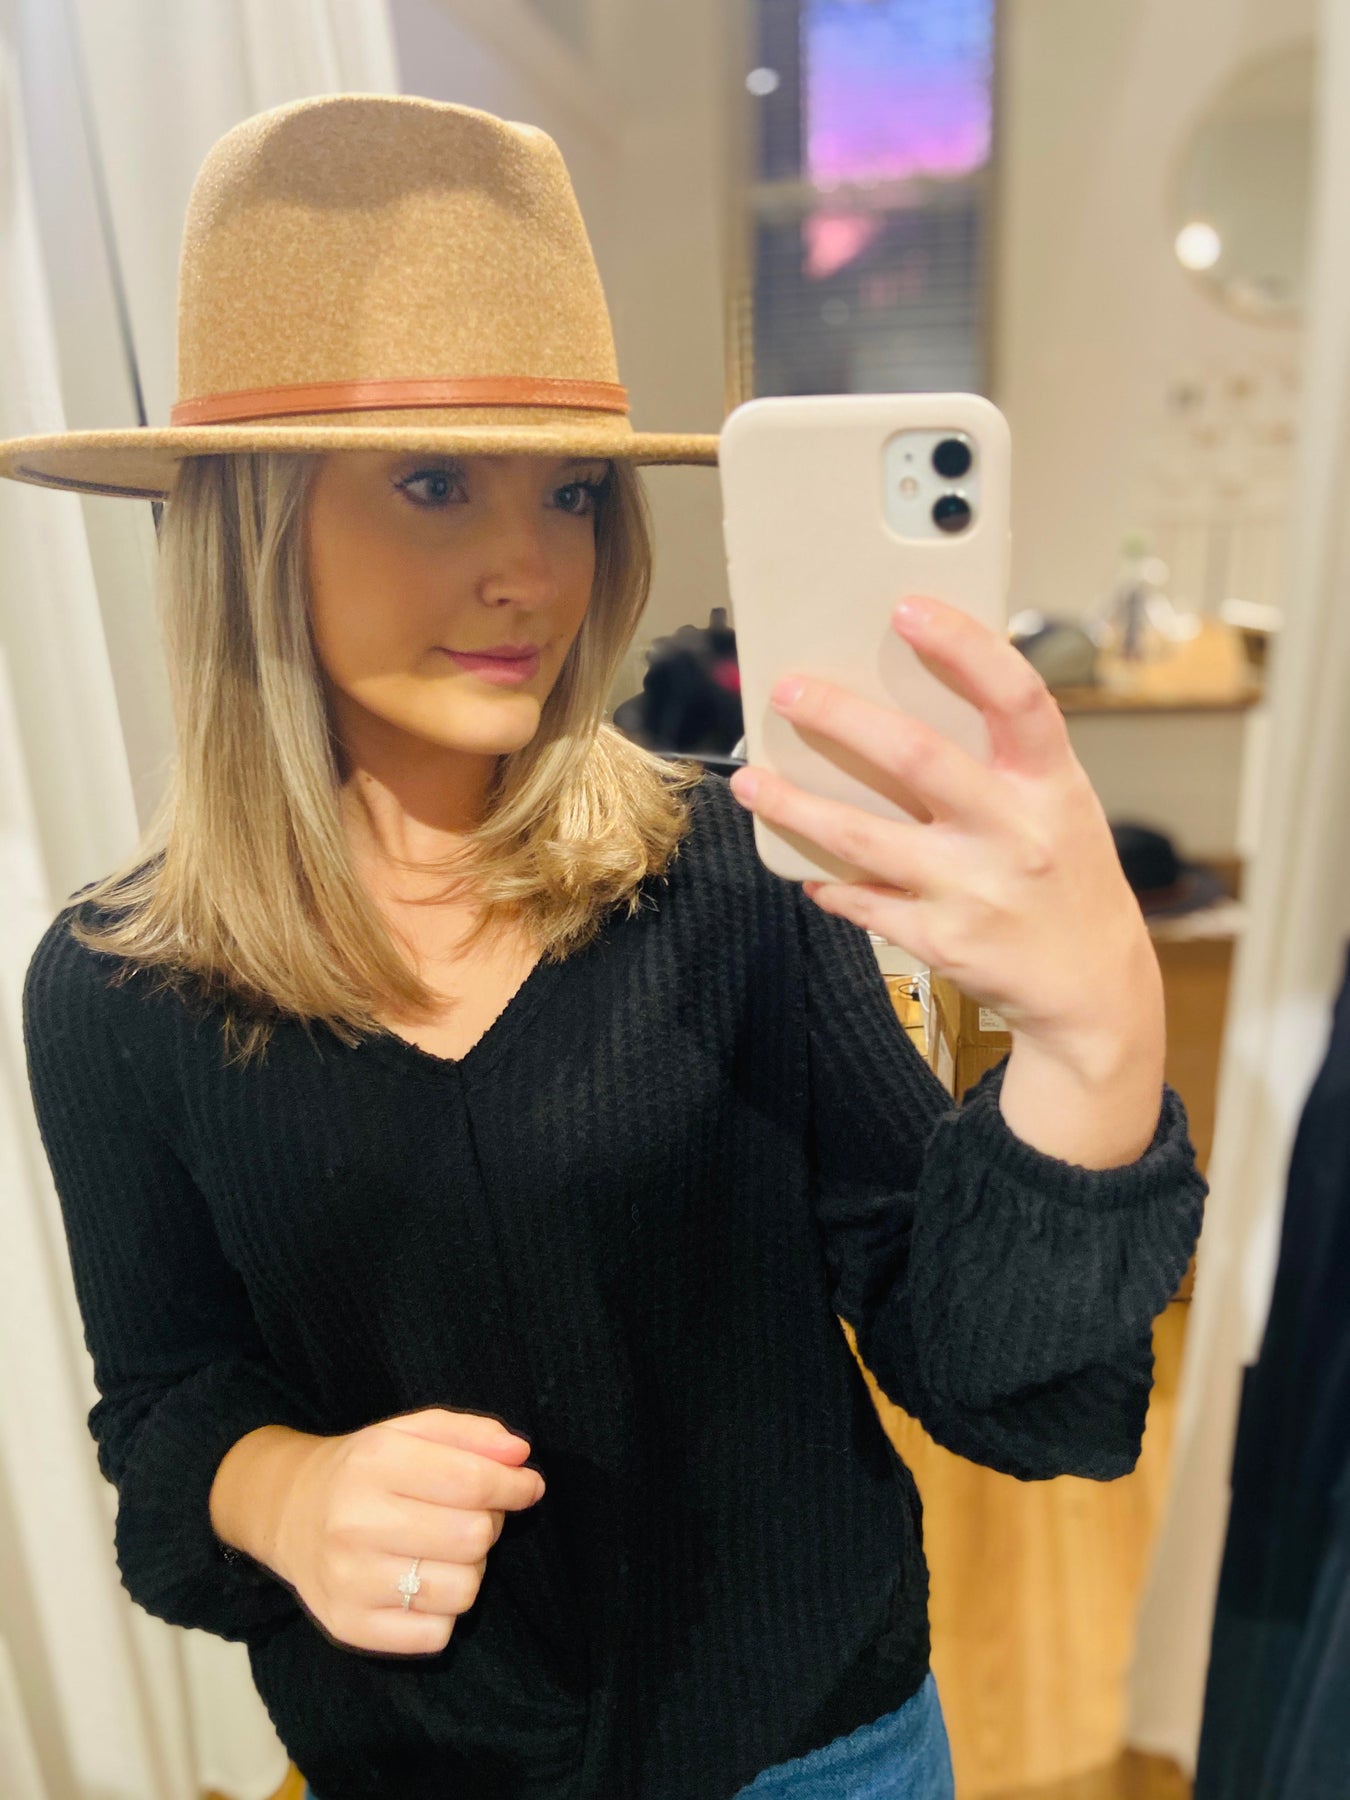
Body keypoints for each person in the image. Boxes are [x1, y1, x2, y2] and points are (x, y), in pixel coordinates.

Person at [7, 95, 1208, 1800]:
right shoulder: (119, 992)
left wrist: (1094, 1054)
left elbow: (993, 1374)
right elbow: (163, 1407)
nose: (532, 567)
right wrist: (281, 1489)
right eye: (436, 484)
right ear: (248, 522)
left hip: (818, 1755)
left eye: (569, 492)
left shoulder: (727, 881)